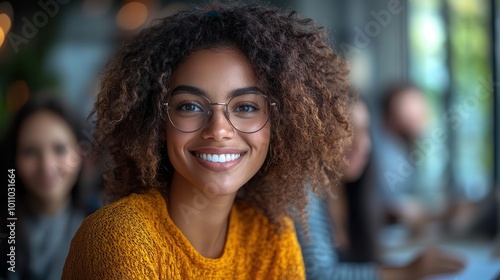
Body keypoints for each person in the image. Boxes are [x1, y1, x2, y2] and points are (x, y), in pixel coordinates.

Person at [62, 2, 352, 279]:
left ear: (279, 126)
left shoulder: (271, 237)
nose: (218, 130)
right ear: (157, 122)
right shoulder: (120, 239)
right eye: (190, 106)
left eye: (246, 107)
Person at [297, 100, 466, 280]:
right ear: (317, 133)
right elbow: (319, 275)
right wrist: (406, 272)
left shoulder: (350, 193)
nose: (363, 145)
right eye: (347, 130)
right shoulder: (303, 194)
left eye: (365, 130)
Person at [0, 98, 87, 280]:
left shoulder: (103, 227)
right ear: (13, 158)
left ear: (80, 153)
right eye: (30, 151)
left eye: (60, 149)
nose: (46, 166)